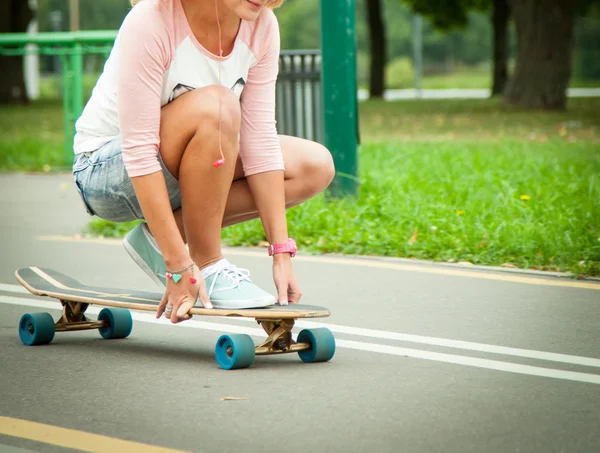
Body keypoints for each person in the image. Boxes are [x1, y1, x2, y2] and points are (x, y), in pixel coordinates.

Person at [71, 0, 335, 324]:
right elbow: (138, 150)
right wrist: (179, 267)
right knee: (219, 106)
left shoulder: (262, 26)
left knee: (313, 166)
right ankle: (207, 263)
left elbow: (260, 142)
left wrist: (281, 252)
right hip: (105, 173)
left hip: (184, 165)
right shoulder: (152, 20)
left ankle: (158, 237)